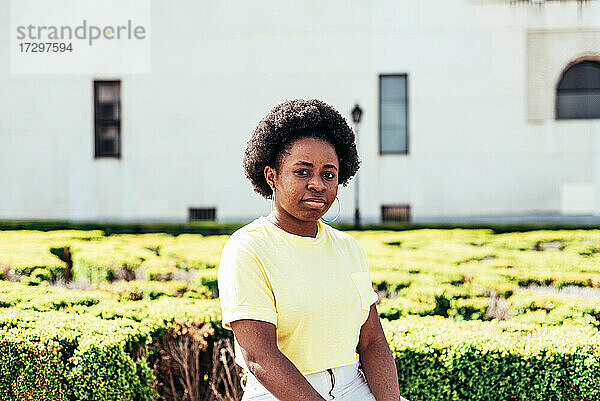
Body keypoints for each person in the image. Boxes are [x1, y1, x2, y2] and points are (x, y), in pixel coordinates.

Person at [218, 99, 407, 401]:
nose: (318, 184)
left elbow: (372, 341)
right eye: (303, 172)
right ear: (272, 176)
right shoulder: (248, 249)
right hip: (277, 393)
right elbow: (260, 357)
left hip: (352, 387)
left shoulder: (349, 248)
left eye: (328, 174)